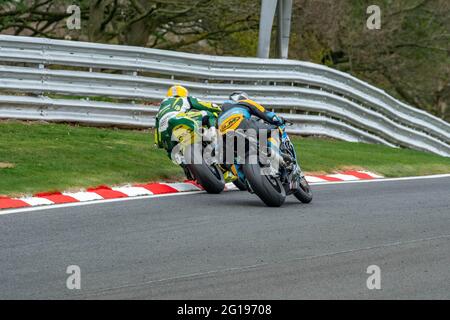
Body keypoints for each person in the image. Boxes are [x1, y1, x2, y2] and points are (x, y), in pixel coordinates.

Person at [154, 85, 221, 157]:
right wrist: (220, 109)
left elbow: (157, 139)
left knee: (171, 152)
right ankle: (214, 138)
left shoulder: (161, 108)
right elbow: (207, 105)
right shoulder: (184, 99)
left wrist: (159, 143)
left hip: (164, 132)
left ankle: (184, 164)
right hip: (178, 118)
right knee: (208, 114)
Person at [221, 91, 285, 127]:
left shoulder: (224, 105)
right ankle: (272, 150)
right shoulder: (246, 102)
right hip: (242, 124)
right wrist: (279, 120)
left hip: (223, 130)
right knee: (273, 130)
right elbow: (265, 113)